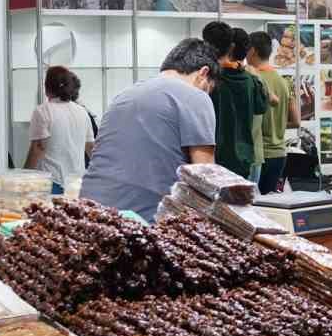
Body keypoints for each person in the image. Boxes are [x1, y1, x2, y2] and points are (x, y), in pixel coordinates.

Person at [81, 39, 217, 222]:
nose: (206, 93)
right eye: (208, 88)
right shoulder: (196, 96)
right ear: (203, 73)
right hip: (145, 220)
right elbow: (205, 176)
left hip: (89, 210)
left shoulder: (125, 94)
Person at [201, 23, 266, 180]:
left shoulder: (207, 81)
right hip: (244, 157)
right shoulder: (251, 81)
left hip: (213, 159)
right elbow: (261, 107)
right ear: (231, 47)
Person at [24, 66, 95, 195]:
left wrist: (24, 175)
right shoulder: (82, 112)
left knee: (50, 214)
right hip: (76, 183)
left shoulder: (42, 111)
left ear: (47, 87)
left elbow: (38, 148)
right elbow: (90, 147)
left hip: (51, 182)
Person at [249, 31, 297, 195]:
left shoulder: (252, 79)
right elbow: (296, 121)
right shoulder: (284, 82)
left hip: (259, 155)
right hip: (279, 154)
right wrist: (278, 123)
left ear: (253, 51)